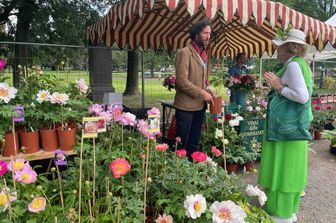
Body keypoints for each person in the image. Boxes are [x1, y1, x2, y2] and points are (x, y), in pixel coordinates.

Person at [258, 29, 313, 223]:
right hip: (291, 130)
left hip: (286, 132)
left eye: (278, 48)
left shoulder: (293, 67)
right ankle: (286, 209)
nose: (276, 52)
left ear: (289, 49)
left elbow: (302, 97)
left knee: (283, 169)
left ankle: (279, 212)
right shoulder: (300, 64)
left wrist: (278, 87)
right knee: (289, 169)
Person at [174, 19, 214, 161]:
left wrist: (208, 89)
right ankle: (179, 174)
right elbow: (182, 81)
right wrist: (202, 92)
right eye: (205, 33)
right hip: (185, 107)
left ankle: (192, 172)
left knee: (194, 143)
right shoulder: (184, 53)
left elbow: (201, 79)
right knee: (182, 144)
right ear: (196, 34)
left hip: (199, 106)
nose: (208, 36)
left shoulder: (204, 55)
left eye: (209, 33)